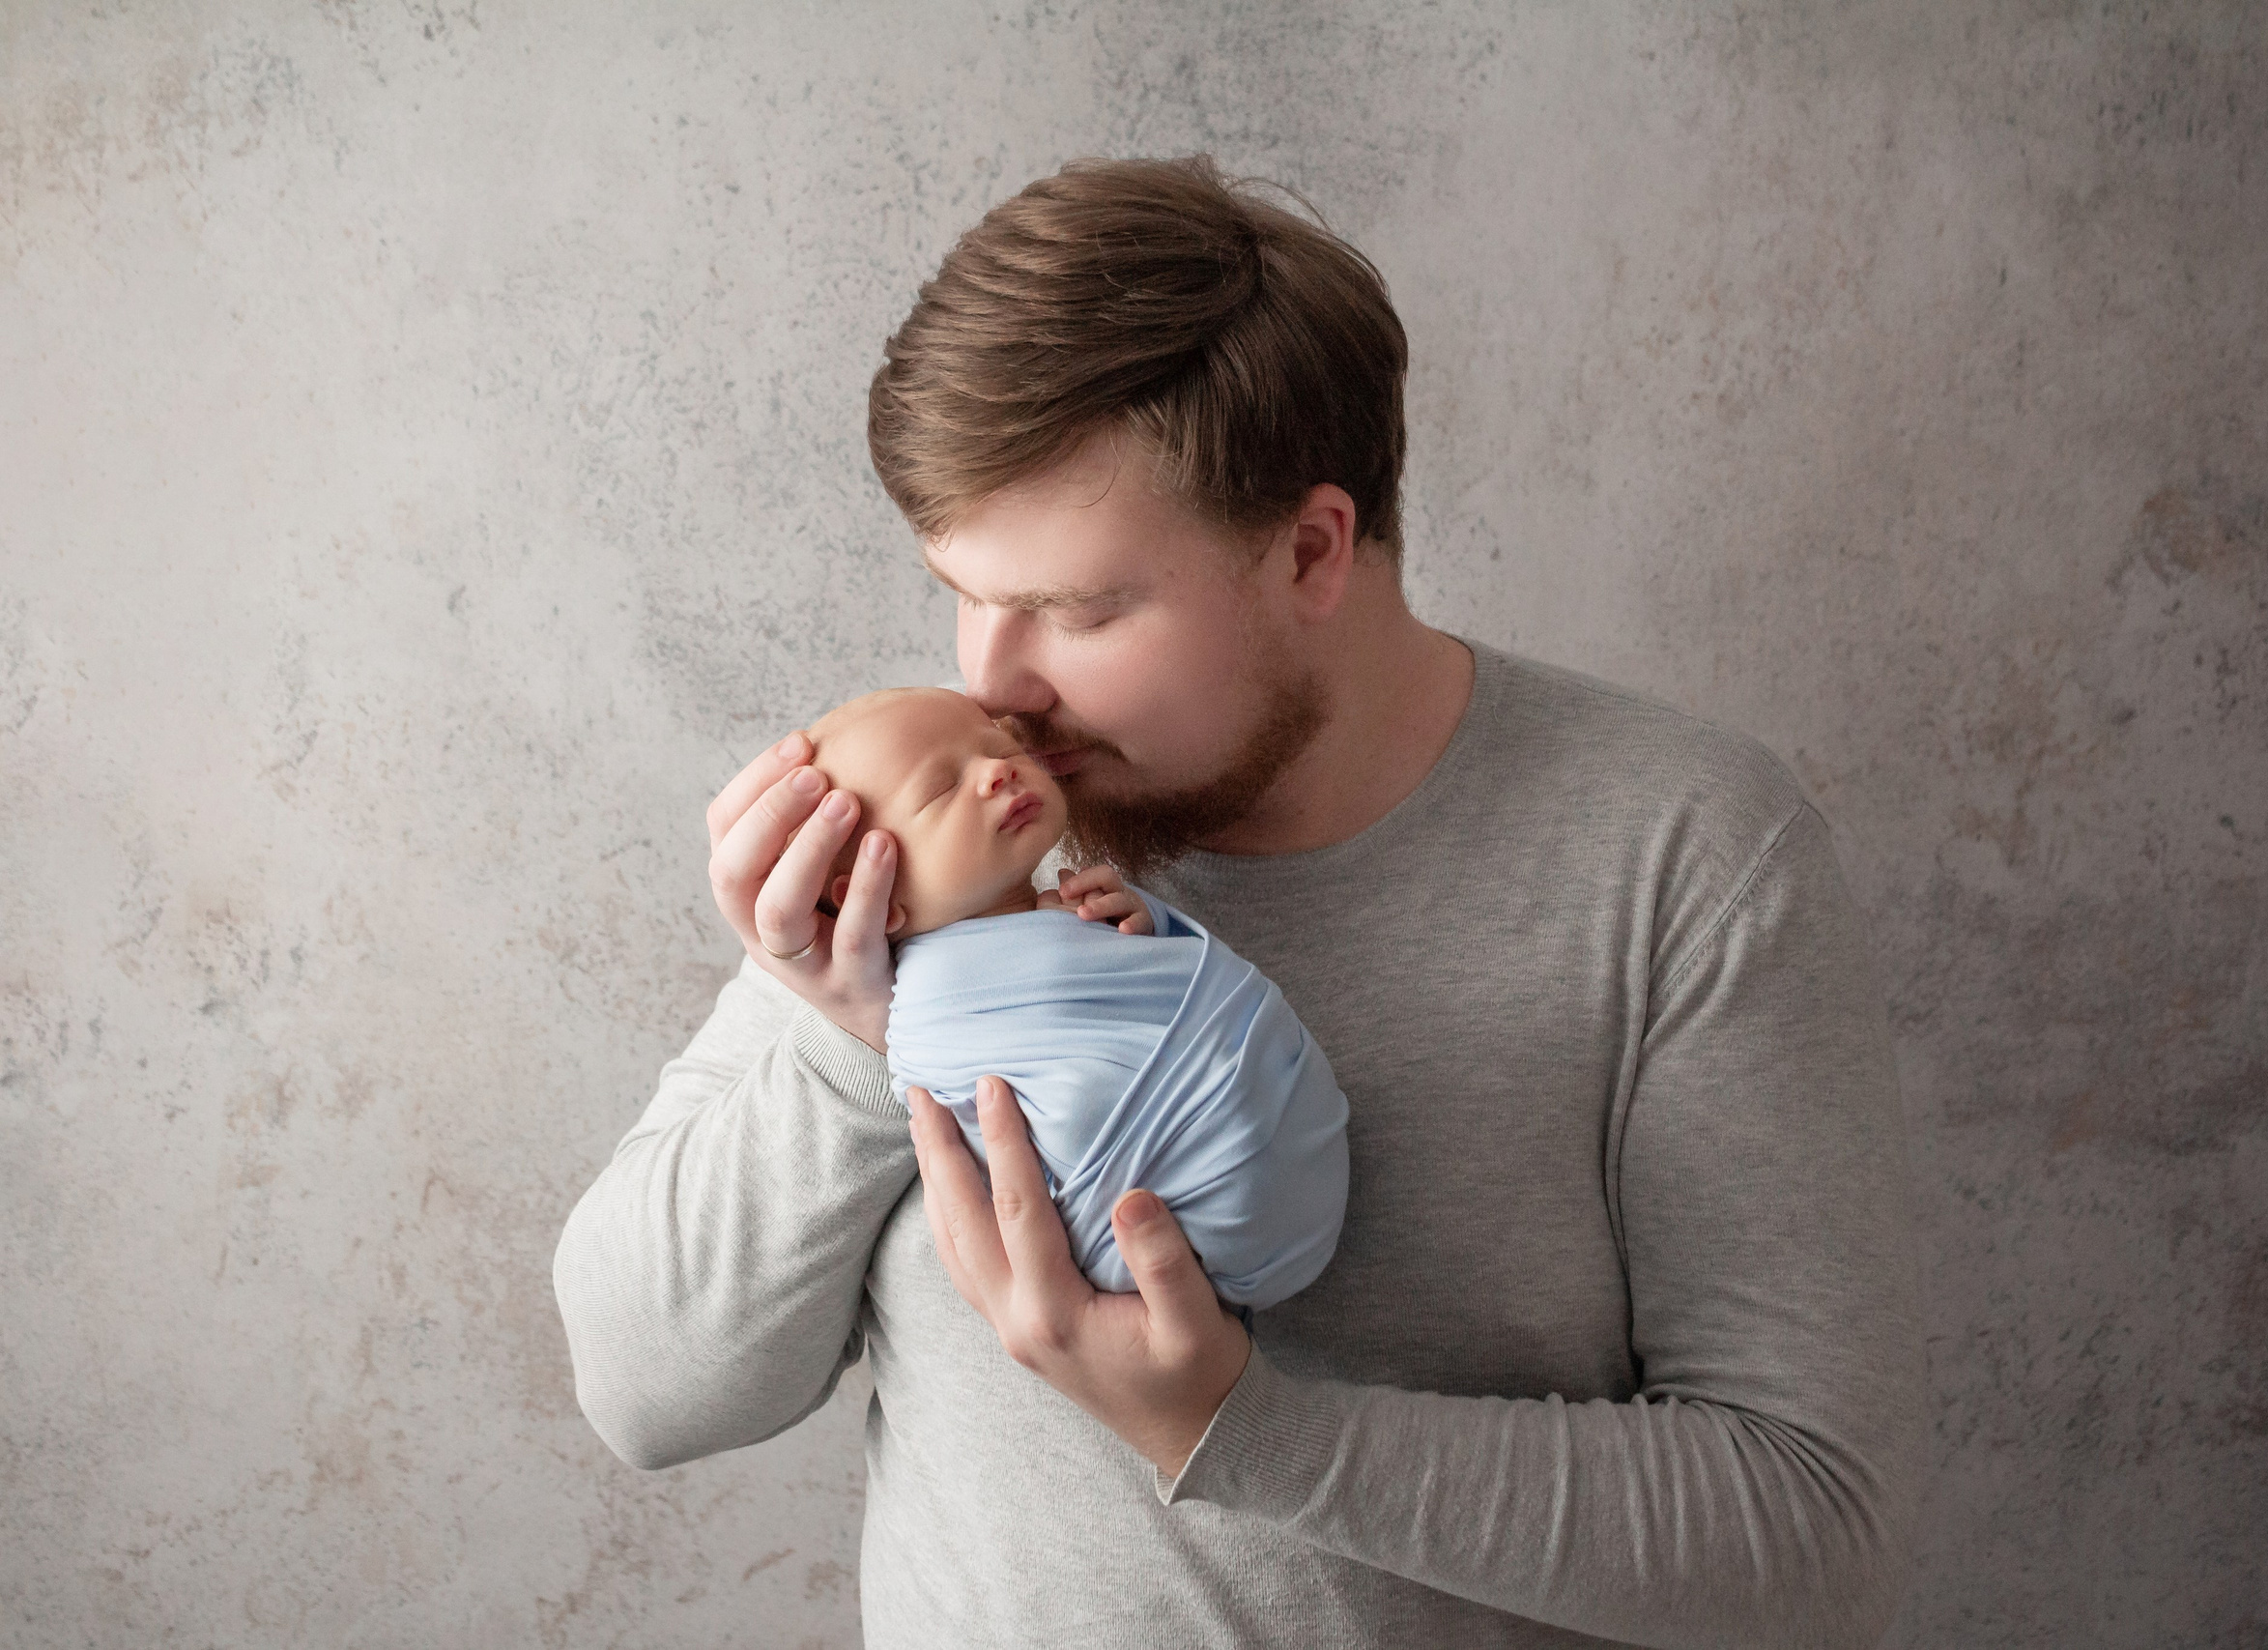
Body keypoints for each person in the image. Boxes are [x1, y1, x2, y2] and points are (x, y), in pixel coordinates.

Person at [553, 155, 1924, 1648]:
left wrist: (1241, 1428)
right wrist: (847, 1030)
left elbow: (1812, 1533)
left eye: (1082, 610)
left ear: (1312, 550)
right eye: (966, 587)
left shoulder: (1683, 858)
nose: (995, 685)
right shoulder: (955, 838)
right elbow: (646, 1391)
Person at [802, 684, 1351, 1308]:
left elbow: (1151, 996)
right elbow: (988, 1133)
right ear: (869, 894)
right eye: (939, 789)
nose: (996, 770)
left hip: (1284, 1149)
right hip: (1149, 1228)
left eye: (998, 743)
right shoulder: (925, 1017)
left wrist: (1140, 931)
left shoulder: (1074, 899)